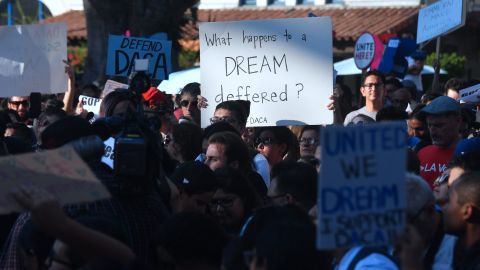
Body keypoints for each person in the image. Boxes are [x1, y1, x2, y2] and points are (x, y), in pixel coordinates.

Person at [399, 173, 457, 270]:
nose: (403, 230)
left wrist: (413, 264)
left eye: (410, 221)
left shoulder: (458, 243)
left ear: (429, 211)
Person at [417, 96, 462, 188]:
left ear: (458, 121)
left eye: (439, 125)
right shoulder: (422, 153)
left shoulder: (469, 154)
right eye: (429, 125)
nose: (432, 131)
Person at [205, 131, 267, 196]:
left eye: (214, 159)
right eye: (206, 158)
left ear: (234, 165)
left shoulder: (253, 187)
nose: (205, 163)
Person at [210, 167, 263, 234]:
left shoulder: (261, 231)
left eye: (227, 201)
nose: (219, 209)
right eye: (214, 202)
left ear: (244, 199)